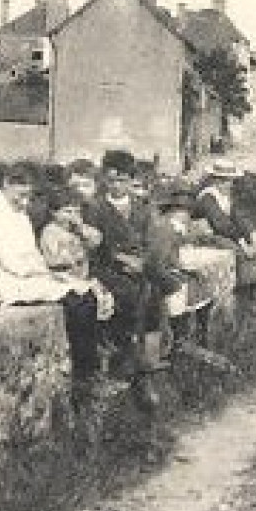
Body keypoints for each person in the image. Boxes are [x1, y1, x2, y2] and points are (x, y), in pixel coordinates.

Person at [0, 165, 100, 382]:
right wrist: (44, 274)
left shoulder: (19, 215)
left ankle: (87, 369)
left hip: (29, 273)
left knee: (86, 295)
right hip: (8, 277)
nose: (25, 202)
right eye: (20, 195)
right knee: (77, 301)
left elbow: (32, 254)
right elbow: (11, 262)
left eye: (29, 196)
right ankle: (83, 373)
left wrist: (47, 273)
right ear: (7, 184)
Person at [88, 149, 163, 392]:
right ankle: (129, 361)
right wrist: (120, 259)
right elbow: (95, 245)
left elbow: (152, 241)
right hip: (107, 267)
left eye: (122, 180)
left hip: (138, 265)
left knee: (153, 293)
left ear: (131, 180)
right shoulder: (95, 208)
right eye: (111, 180)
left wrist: (141, 260)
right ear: (104, 180)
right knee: (128, 295)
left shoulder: (142, 207)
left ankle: (148, 361)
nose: (116, 186)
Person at [145, 174, 214, 350]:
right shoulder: (165, 230)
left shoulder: (178, 229)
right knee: (180, 290)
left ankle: (199, 337)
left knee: (203, 285)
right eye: (180, 211)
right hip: (159, 274)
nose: (186, 215)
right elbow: (156, 262)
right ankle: (178, 341)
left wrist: (187, 270)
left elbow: (178, 256)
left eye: (187, 211)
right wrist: (174, 276)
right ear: (171, 211)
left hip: (171, 269)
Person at [39, 188, 114, 324]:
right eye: (67, 211)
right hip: (61, 277)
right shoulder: (50, 231)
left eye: (77, 212)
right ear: (54, 213)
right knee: (85, 304)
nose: (73, 216)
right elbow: (53, 259)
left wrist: (81, 229)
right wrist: (73, 257)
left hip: (82, 276)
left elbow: (97, 240)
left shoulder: (78, 230)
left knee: (106, 295)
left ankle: (100, 335)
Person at [193, 158, 256, 298]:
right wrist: (241, 241)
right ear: (215, 180)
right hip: (205, 236)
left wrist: (249, 239)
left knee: (251, 248)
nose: (229, 184)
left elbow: (238, 219)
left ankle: (254, 285)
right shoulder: (208, 197)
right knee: (237, 250)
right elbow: (220, 224)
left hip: (219, 233)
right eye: (225, 181)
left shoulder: (224, 196)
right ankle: (244, 290)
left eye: (230, 181)